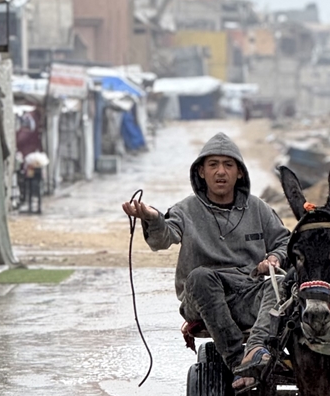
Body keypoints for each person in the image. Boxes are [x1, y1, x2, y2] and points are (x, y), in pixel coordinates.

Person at [121, 133, 289, 379]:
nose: (221, 172)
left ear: (239, 172)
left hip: (246, 294)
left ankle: (255, 348)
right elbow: (162, 239)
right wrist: (151, 217)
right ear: (201, 172)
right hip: (201, 297)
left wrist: (274, 258)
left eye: (228, 165)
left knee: (283, 284)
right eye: (213, 165)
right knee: (200, 277)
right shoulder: (185, 209)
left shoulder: (258, 208)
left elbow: (284, 242)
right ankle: (237, 363)